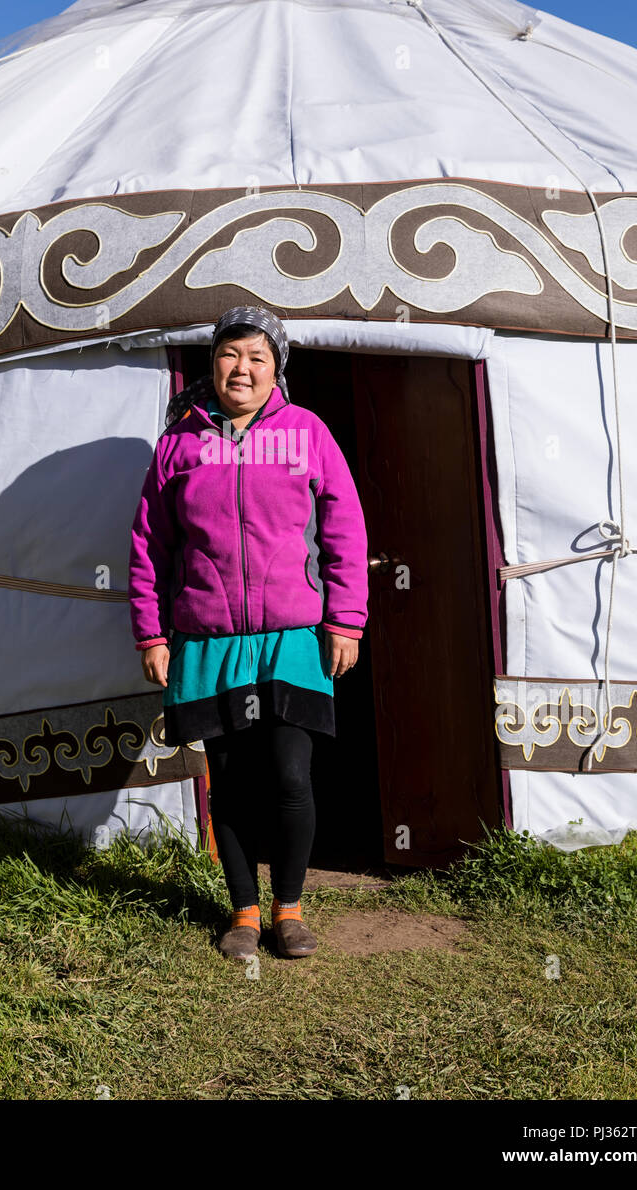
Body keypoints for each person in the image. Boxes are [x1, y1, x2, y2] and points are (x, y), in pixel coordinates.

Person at [128, 306, 369, 961]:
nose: (243, 368)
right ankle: (242, 911)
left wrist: (345, 619)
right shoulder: (178, 445)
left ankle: (289, 910)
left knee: (291, 774)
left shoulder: (306, 434)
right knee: (230, 782)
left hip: (291, 633)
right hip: (208, 638)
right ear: (213, 364)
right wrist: (151, 635)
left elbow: (344, 528)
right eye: (231, 354)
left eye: (257, 357)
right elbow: (150, 543)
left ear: (276, 368)